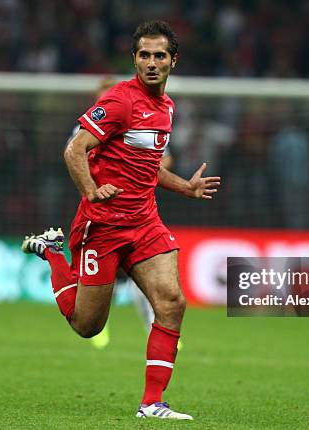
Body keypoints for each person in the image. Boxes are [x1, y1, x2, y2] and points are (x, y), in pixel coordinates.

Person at [22, 20, 220, 420]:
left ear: (172, 61)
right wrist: (92, 192)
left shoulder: (166, 108)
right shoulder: (119, 101)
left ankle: (152, 404)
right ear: (134, 59)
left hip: (144, 222)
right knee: (87, 326)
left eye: (159, 55)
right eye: (144, 55)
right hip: (103, 225)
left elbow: (148, 167)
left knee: (172, 302)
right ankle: (53, 254)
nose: (151, 62)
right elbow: (74, 150)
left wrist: (185, 187)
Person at [73, 76, 173, 350]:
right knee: (101, 291)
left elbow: (165, 157)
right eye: (104, 95)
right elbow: (74, 154)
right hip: (100, 216)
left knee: (142, 280)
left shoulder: (144, 117)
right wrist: (92, 188)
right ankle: (97, 328)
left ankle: (155, 327)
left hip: (138, 214)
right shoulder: (85, 128)